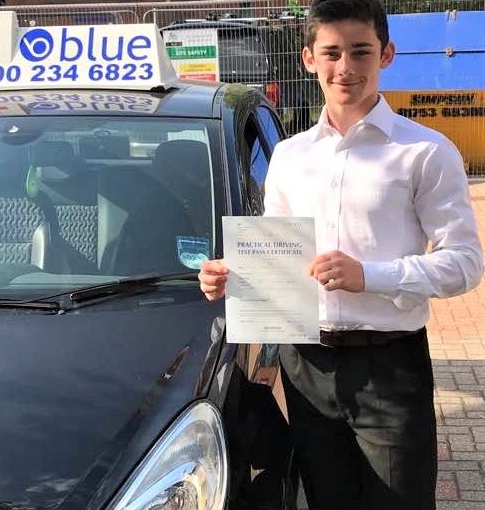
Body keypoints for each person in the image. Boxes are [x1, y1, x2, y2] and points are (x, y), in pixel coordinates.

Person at [198, 1, 483, 508]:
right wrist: (234, 275)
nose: (345, 67)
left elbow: (465, 264)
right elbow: (278, 254)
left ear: (387, 55)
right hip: (306, 364)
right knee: (327, 498)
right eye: (331, 52)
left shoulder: (424, 152)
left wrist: (368, 275)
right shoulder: (290, 156)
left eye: (360, 51)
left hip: (389, 365)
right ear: (308, 58)